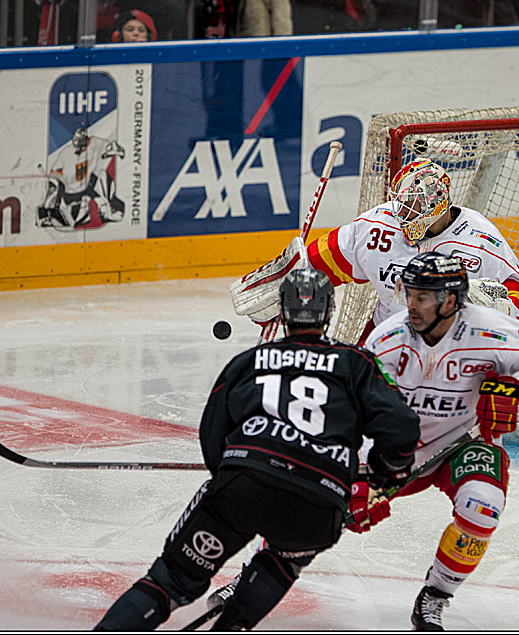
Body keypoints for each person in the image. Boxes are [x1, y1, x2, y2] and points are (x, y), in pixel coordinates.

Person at [95, 268, 420, 631]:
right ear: (330, 312)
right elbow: (402, 429)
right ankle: (234, 623)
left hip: (244, 485)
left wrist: (232, 474)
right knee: (286, 558)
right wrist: (381, 475)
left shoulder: (249, 361)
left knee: (171, 579)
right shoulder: (355, 362)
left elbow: (213, 432)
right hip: (317, 501)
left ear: (282, 310)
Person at [356, 252, 519, 630]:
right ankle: (271, 562)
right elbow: (360, 415)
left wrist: (516, 388)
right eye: (410, 294)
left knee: (482, 507)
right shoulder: (388, 339)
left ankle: (435, 595)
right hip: (396, 448)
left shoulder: (489, 330)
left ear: (450, 301)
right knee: (328, 501)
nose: (411, 305)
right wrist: (359, 471)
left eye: (423, 297)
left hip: (467, 443)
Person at [231, 157, 519, 346]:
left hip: (451, 348)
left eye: (412, 204)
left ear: (437, 202)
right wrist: (286, 284)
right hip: (387, 337)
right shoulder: (379, 224)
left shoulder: (479, 239)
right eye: (401, 203)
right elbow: (327, 260)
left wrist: (497, 311)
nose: (402, 213)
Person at [36, 126, 125, 231]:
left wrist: (116, 151)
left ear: (85, 141)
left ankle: (110, 208)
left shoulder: (94, 143)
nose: (77, 146)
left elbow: (110, 146)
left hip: (88, 188)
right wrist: (52, 197)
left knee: (102, 175)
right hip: (72, 193)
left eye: (80, 143)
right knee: (71, 220)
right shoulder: (66, 153)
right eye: (75, 142)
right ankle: (45, 214)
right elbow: (54, 175)